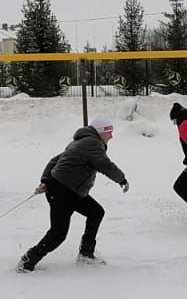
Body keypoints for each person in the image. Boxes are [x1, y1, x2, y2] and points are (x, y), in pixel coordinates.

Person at [18, 117, 129, 272]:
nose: (111, 136)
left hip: (70, 191)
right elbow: (105, 165)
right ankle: (28, 260)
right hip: (63, 191)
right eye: (109, 132)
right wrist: (121, 179)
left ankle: (86, 253)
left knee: (96, 212)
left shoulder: (78, 142)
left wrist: (46, 181)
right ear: (101, 132)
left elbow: (54, 161)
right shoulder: (92, 143)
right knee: (58, 234)